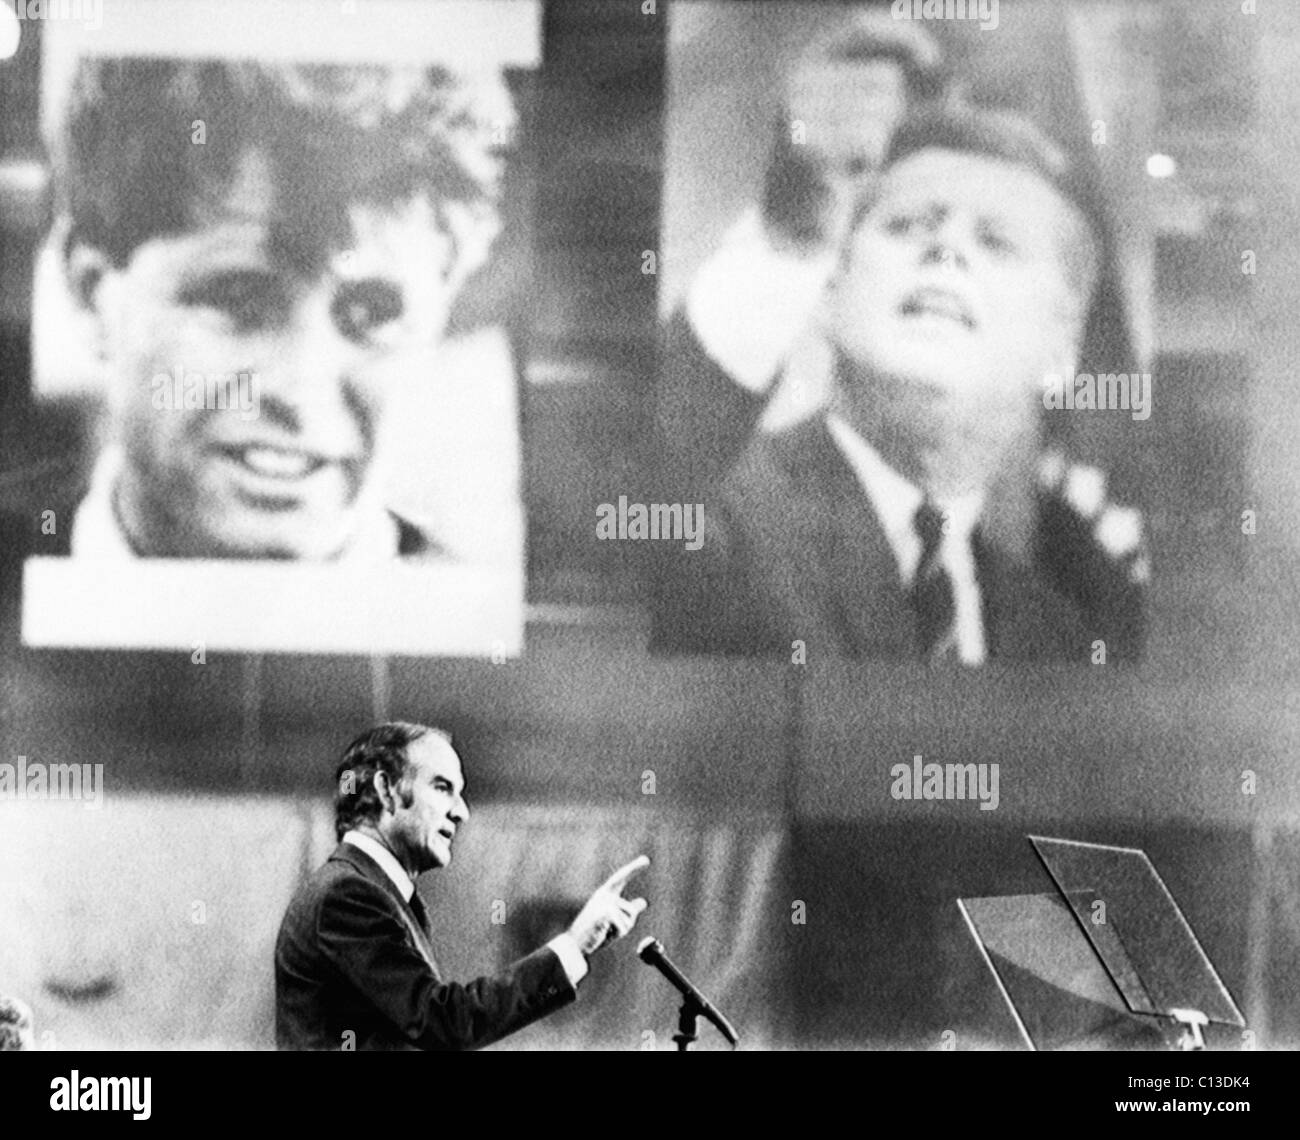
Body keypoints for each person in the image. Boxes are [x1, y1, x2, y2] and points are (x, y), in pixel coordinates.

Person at [653, 104, 1147, 663]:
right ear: (830, 287)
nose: (947, 251)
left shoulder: (1068, 634)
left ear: (1062, 349)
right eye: (909, 224)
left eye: (997, 242)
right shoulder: (712, 522)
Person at [28, 56, 513, 560]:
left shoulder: (475, 608)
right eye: (239, 297)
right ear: (89, 294)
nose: (299, 393)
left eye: (371, 313)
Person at [275, 722, 649, 1051]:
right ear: (386, 790)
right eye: (442, 788)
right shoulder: (349, 896)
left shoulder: (372, 893)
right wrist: (574, 944)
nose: (461, 811)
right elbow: (446, 1024)